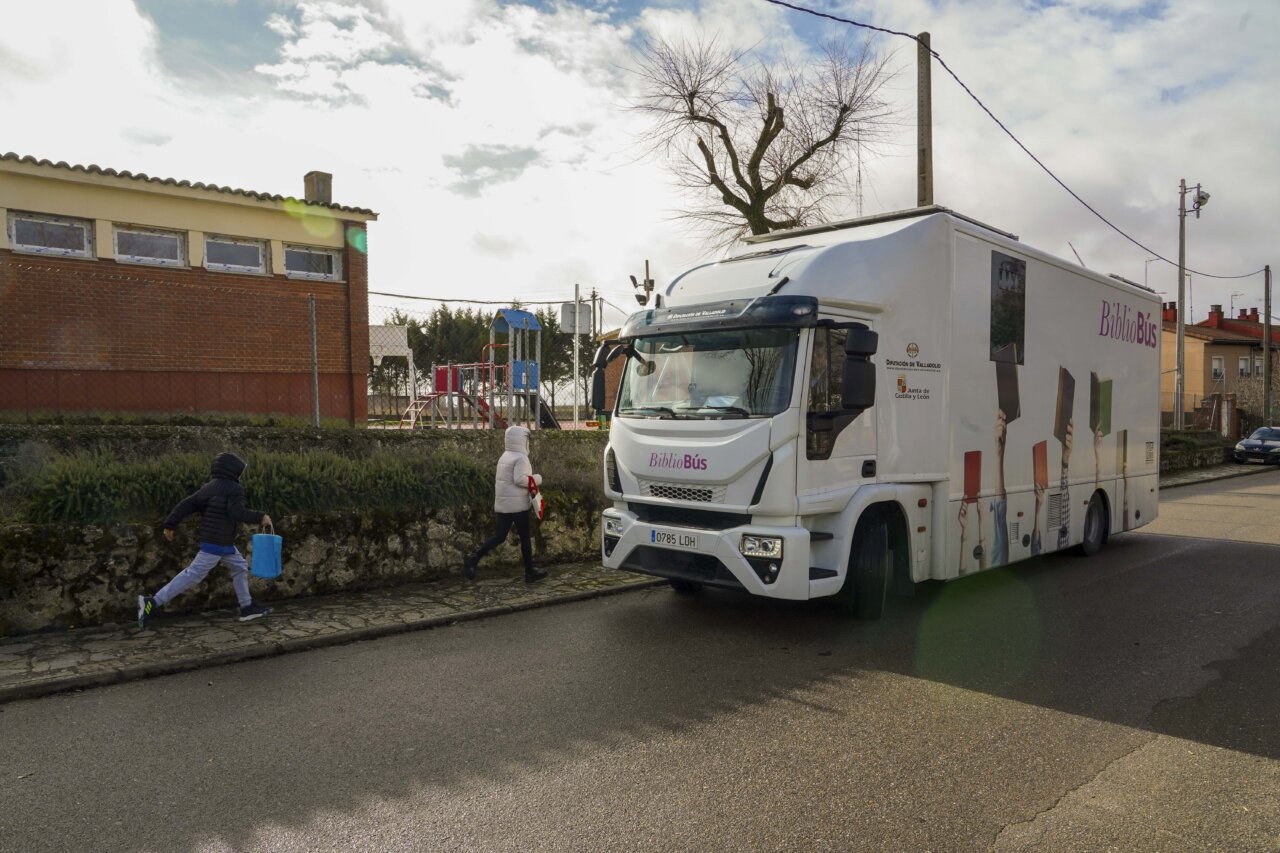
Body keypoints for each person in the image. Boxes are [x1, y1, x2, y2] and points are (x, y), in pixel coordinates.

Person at [136, 452, 273, 629]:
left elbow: (187, 504)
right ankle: (152, 603)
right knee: (193, 574)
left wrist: (170, 524)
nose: (241, 474)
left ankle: (247, 607)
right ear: (232, 471)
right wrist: (260, 516)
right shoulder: (234, 488)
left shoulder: (208, 488)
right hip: (217, 542)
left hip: (222, 542)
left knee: (239, 567)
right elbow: (236, 512)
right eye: (240, 471)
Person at [463, 426, 547, 583]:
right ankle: (530, 573)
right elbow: (520, 479)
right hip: (518, 505)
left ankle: (474, 557)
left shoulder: (505, 455)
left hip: (504, 503)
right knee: (525, 538)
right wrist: (538, 478)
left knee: (500, 536)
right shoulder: (521, 458)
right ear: (522, 440)